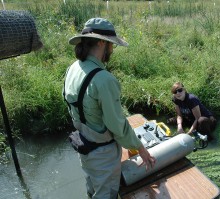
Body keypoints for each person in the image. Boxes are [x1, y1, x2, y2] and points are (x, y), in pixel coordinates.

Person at [63, 18, 156, 199]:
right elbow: (116, 125)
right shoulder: (104, 79)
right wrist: (141, 149)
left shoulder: (73, 68)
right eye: (111, 45)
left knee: (92, 189)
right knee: (106, 195)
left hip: (84, 146)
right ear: (101, 43)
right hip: (102, 155)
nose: (112, 50)